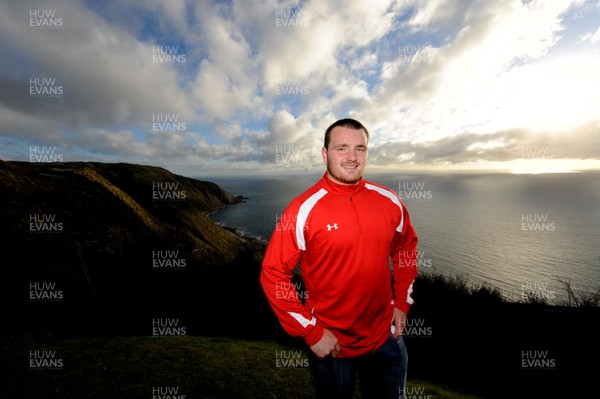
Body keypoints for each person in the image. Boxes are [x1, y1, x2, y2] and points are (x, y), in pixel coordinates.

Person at [260, 118, 419, 399]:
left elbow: (406, 246)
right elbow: (273, 273)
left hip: (386, 337)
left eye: (360, 149)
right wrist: (312, 333)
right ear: (325, 154)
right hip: (333, 345)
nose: (352, 158)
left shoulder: (389, 200)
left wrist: (402, 301)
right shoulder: (302, 209)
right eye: (341, 148)